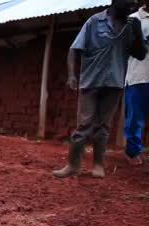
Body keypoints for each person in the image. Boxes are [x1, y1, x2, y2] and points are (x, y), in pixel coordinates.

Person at [53, 0, 147, 179]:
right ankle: (72, 165)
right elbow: (74, 49)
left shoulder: (131, 25)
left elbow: (140, 54)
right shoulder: (94, 21)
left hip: (114, 83)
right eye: (129, 2)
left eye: (135, 3)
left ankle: (98, 165)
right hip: (91, 82)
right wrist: (72, 75)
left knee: (103, 127)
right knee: (84, 125)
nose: (133, 5)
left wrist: (137, 32)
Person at [124, 0, 149, 166]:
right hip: (138, 76)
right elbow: (126, 47)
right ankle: (132, 152)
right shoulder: (133, 19)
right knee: (135, 117)